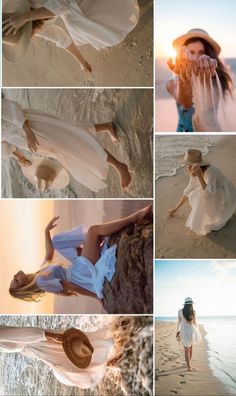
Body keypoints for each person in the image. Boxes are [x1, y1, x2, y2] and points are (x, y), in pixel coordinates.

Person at [9, 204, 152, 303]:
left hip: (77, 268)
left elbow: (48, 255)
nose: (15, 275)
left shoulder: (38, 274)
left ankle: (93, 243)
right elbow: (72, 287)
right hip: (81, 273)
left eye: (13, 278)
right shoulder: (41, 282)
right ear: (23, 287)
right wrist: (97, 297)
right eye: (16, 280)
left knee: (56, 241)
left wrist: (46, 231)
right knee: (93, 231)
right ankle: (134, 218)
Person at [2, 97, 132, 192]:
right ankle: (106, 126)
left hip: (32, 127)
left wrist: (27, 130)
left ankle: (120, 166)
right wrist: (17, 155)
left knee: (74, 144)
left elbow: (12, 108)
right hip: (29, 141)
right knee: (71, 136)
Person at [2, 0, 140, 72]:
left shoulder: (29, 9)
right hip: (83, 6)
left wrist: (25, 17)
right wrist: (82, 61)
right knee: (74, 21)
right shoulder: (32, 28)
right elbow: (60, 38)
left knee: (72, 18)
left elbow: (62, 3)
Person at [0, 323, 120, 388]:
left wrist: (48, 335)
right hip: (37, 347)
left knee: (71, 358)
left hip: (40, 343)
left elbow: (19, 334)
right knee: (69, 364)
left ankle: (106, 356)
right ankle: (105, 361)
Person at [166, 29, 233, 132]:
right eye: (191, 52)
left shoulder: (217, 81)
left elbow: (205, 105)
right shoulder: (172, 82)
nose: (196, 58)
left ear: (210, 55)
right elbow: (186, 103)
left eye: (201, 52)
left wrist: (204, 81)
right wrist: (184, 77)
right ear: (183, 56)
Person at [168, 149, 236, 235]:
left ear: (191, 166)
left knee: (199, 193)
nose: (185, 167)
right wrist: (176, 208)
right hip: (214, 191)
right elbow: (189, 189)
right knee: (195, 193)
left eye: (186, 165)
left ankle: (218, 214)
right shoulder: (194, 172)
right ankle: (211, 214)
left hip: (226, 194)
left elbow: (209, 193)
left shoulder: (210, 172)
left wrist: (199, 175)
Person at [176, 297, 202, 371]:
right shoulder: (193, 311)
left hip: (184, 330)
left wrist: (177, 330)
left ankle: (189, 365)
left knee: (186, 349)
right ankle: (189, 364)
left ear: (185, 304)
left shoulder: (180, 311)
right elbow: (195, 323)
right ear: (191, 304)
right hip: (191, 330)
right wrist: (197, 331)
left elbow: (179, 322)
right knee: (190, 348)